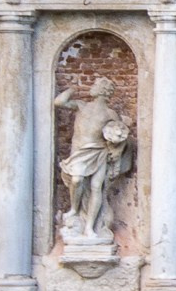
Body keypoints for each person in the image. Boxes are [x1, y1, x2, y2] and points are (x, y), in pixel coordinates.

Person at [54, 77, 133, 243]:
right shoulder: (82, 106)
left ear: (103, 91)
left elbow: (118, 134)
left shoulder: (110, 114)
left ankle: (89, 227)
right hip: (80, 151)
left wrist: (118, 146)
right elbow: (59, 102)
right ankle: (74, 210)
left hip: (99, 152)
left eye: (95, 85)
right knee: (77, 180)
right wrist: (72, 89)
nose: (92, 87)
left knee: (97, 188)